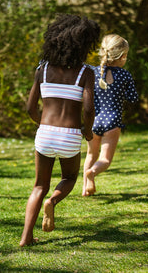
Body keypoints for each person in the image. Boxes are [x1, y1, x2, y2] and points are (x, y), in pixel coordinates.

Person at [19, 14, 100, 246]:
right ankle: (52, 202)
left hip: (45, 133)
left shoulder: (42, 70)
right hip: (70, 135)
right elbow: (88, 108)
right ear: (83, 45)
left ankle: (26, 238)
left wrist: (41, 125)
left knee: (38, 186)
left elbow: (30, 108)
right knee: (69, 177)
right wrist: (87, 131)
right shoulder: (85, 72)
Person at [82, 34, 138, 197]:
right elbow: (133, 98)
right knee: (105, 160)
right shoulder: (124, 75)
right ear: (121, 56)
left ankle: (85, 190)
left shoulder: (92, 72)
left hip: (94, 121)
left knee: (90, 154)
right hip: (112, 122)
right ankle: (91, 173)